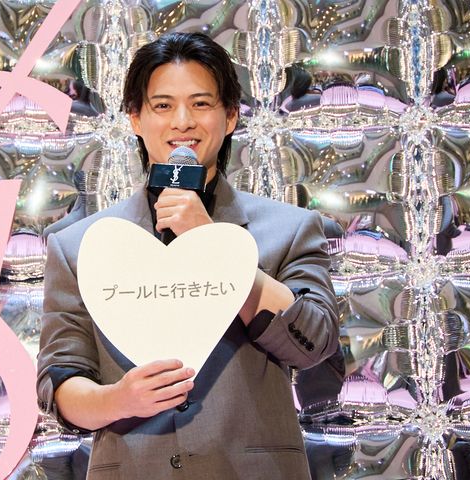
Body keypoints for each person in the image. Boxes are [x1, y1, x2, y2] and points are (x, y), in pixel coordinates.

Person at [37, 32, 339, 479]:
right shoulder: (79, 244)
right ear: (136, 118)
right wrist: (119, 399)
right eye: (162, 105)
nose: (182, 121)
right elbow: (59, 382)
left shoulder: (290, 229)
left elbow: (314, 342)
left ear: (230, 116)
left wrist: (214, 246)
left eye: (201, 104)